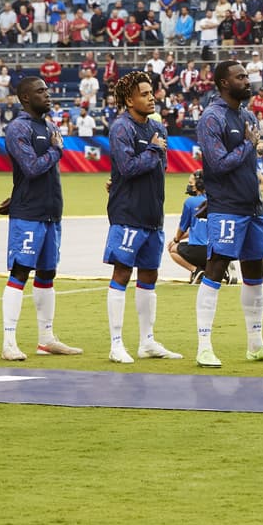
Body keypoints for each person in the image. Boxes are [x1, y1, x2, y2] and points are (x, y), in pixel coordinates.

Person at [195, 60, 263, 368]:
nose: (247, 80)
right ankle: (204, 345)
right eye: (240, 77)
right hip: (228, 207)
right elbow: (218, 164)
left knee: (255, 272)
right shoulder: (211, 117)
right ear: (223, 83)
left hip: (252, 206)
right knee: (217, 266)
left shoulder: (248, 115)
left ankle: (256, 344)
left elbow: (248, 163)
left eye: (247, 75)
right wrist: (248, 144)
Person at [0, 76, 81, 361]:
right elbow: (32, 167)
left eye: (47, 90)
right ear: (25, 98)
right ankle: (9, 341)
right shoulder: (18, 128)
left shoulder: (49, 125)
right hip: (29, 214)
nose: (47, 95)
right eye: (41, 91)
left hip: (50, 212)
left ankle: (46, 339)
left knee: (47, 274)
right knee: (20, 272)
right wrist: (57, 150)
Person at [103, 71, 182, 364]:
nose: (152, 97)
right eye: (145, 94)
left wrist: (152, 152)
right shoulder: (121, 128)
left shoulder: (158, 127)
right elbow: (128, 168)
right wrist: (152, 149)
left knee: (150, 275)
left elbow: (159, 167)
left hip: (153, 213)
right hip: (127, 213)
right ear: (129, 99)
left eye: (152, 93)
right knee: (122, 273)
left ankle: (147, 341)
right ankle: (116, 344)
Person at [167, 171, 208, 284]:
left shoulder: (190, 202)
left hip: (197, 250)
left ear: (198, 185)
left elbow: (183, 227)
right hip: (216, 250)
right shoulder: (216, 200)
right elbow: (196, 228)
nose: (189, 185)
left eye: (191, 183)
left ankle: (196, 271)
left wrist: (176, 239)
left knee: (172, 249)